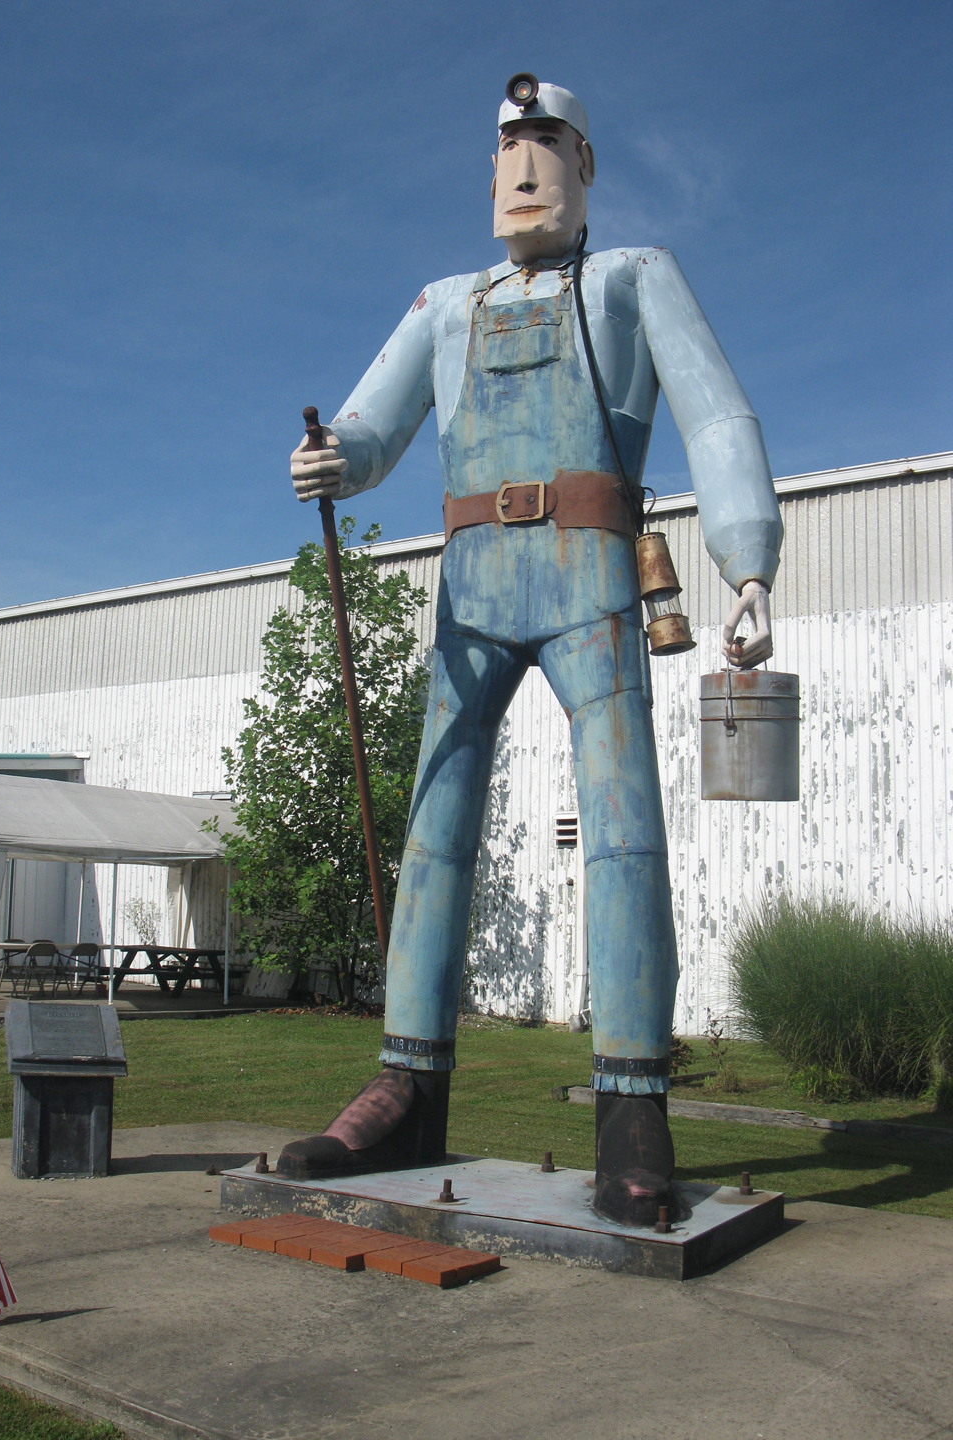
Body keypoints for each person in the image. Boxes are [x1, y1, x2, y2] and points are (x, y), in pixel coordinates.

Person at [280, 76, 782, 1227]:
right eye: (505, 147)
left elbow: (716, 417)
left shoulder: (634, 279)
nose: (520, 168)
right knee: (434, 829)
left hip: (589, 576)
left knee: (621, 827)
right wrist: (334, 459)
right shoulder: (444, 303)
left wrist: (747, 560)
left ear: (585, 165)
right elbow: (372, 423)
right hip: (472, 589)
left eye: (545, 145)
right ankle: (405, 1083)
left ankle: (631, 1104)